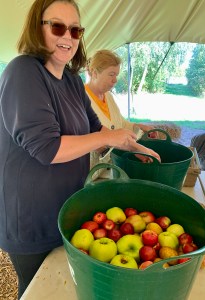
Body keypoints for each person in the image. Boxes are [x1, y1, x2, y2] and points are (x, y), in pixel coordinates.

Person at [0, 1, 160, 298]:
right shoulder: (23, 72)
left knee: (64, 286)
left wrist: (128, 142)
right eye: (58, 26)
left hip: (67, 206)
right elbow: (47, 148)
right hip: (31, 215)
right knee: (38, 290)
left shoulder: (72, 79)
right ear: (38, 27)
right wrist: (108, 139)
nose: (68, 36)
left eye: (75, 30)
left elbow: (95, 127)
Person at [85, 49, 160, 178]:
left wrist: (139, 127)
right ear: (95, 73)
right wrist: (135, 148)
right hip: (88, 173)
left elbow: (120, 124)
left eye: (116, 75)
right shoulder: (81, 97)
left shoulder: (108, 96)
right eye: (111, 74)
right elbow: (90, 137)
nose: (115, 80)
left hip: (106, 169)